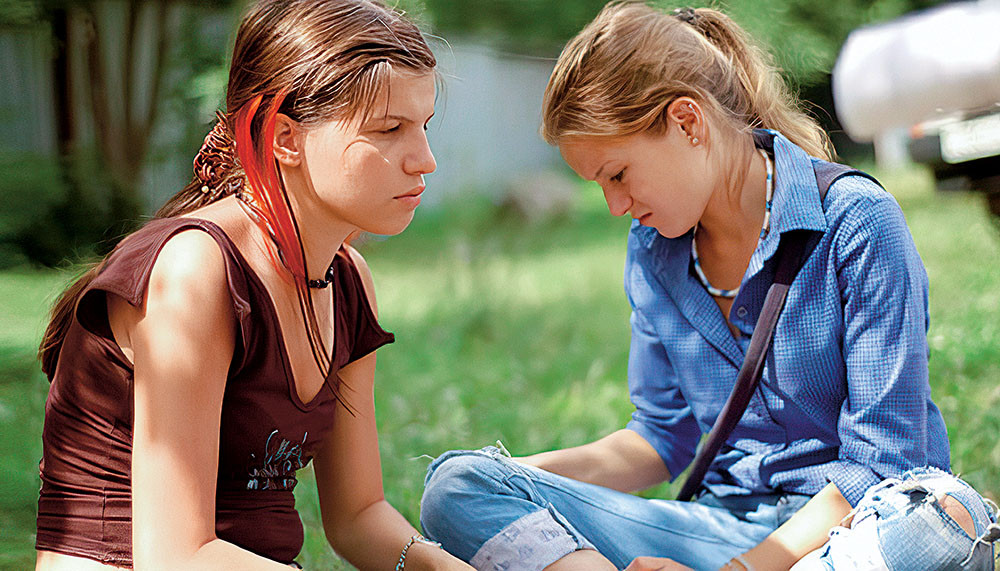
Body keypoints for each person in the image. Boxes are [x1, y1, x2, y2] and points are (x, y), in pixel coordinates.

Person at [419, 3, 998, 571]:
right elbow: (659, 437)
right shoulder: (654, 251)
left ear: (687, 122)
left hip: (851, 531)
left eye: (617, 174)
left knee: (944, 519)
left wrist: (746, 569)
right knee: (457, 486)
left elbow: (882, 465)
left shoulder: (856, 221)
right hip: (717, 533)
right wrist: (512, 480)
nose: (615, 205)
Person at [34, 1, 473, 569]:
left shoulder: (347, 280)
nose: (425, 161)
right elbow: (176, 557)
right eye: (388, 130)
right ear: (285, 137)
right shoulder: (194, 273)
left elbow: (359, 516)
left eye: (424, 126)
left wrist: (446, 566)